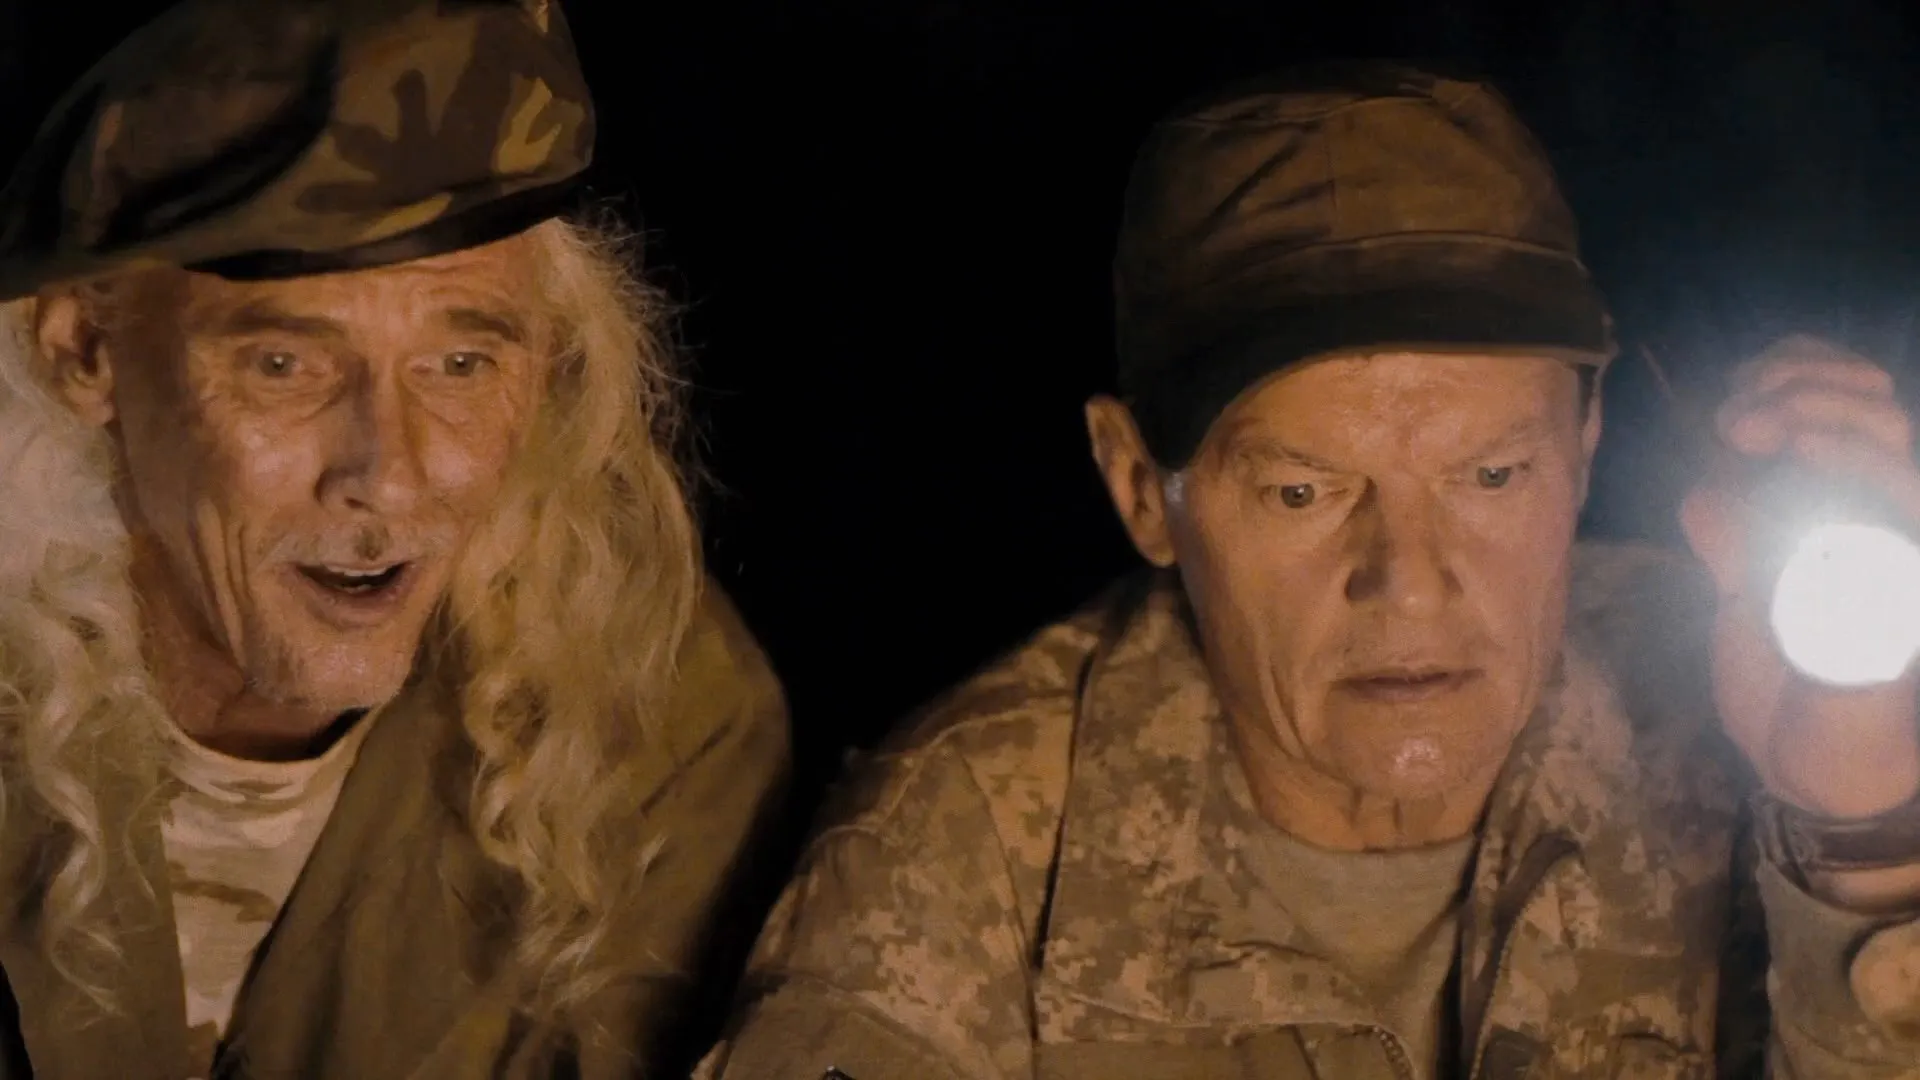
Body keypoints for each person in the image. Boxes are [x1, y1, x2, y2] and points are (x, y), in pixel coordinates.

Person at [696, 63, 1920, 1079]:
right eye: (1303, 492)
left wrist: (1863, 821)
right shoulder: (965, 856)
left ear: (1586, 448)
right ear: (1142, 488)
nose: (1411, 583)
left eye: (1493, 476)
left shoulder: (1749, 696)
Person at [0, 1, 791, 1076]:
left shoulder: (653, 715)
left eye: (460, 366)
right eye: (285, 365)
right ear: (85, 350)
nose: (391, 474)